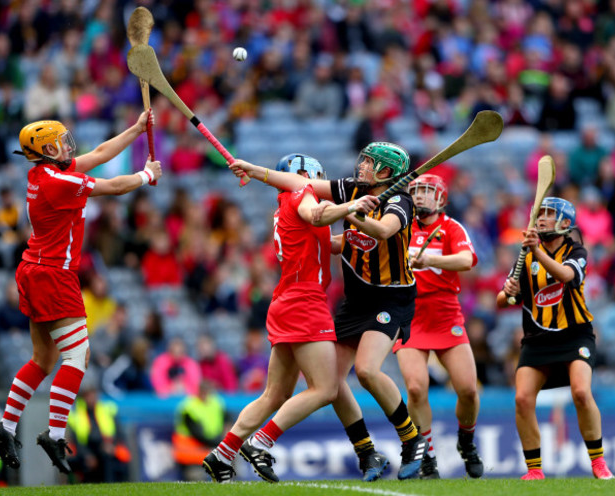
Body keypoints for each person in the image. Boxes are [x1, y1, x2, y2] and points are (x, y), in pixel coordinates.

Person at [229, 143, 428, 482]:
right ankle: (367, 454)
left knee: (366, 370)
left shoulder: (400, 201)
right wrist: (254, 169)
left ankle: (412, 440)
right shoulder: (352, 189)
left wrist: (349, 210)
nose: (361, 166)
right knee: (331, 383)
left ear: (386, 173)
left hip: (390, 299)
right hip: (355, 301)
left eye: (370, 163)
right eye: (363, 159)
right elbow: (297, 185)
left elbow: (381, 231)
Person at [0, 114, 162, 474]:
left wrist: (136, 127)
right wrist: (147, 176)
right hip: (53, 275)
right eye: (60, 142)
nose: (68, 146)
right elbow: (113, 187)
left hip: (33, 270)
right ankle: (54, 433)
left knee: (43, 360)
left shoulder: (45, 172)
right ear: (46, 150)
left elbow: (99, 152)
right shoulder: (57, 182)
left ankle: (5, 427)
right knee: (77, 357)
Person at [203, 153, 349, 483]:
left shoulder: (289, 203)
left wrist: (358, 236)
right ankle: (261, 441)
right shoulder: (301, 196)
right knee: (326, 388)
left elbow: (328, 242)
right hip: (305, 301)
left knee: (275, 395)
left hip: (288, 300)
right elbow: (319, 215)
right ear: (306, 175)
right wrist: (351, 208)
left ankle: (223, 453)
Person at [496, 197, 615, 480]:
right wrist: (508, 289)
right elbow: (503, 301)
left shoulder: (577, 250)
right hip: (537, 340)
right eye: (540, 213)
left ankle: (598, 463)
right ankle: (535, 470)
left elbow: (566, 276)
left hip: (575, 336)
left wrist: (536, 252)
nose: (541, 218)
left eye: (549, 214)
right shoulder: (524, 256)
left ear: (564, 224)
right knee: (523, 399)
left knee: (581, 392)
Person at [393, 174, 483, 479]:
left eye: (428, 192)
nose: (420, 197)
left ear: (441, 199)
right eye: (416, 191)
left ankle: (466, 441)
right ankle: (427, 455)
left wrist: (431, 257)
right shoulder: (400, 226)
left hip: (446, 314)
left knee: (468, 390)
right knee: (416, 388)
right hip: (410, 314)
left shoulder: (451, 228)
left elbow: (468, 259)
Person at [173, 380, 228, 481]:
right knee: (196, 478)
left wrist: (224, 439)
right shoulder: (189, 406)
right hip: (191, 452)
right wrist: (220, 443)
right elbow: (197, 433)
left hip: (211, 449)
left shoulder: (216, 403)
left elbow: (227, 420)